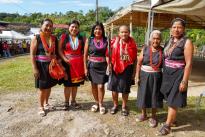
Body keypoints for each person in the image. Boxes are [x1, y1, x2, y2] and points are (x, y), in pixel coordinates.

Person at [157, 18, 193, 135]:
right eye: (174, 27)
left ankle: (167, 125)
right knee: (169, 98)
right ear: (170, 29)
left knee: (173, 100)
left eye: (179, 27)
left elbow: (189, 64)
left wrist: (184, 81)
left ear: (183, 29)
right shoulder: (170, 41)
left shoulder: (187, 42)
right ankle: (172, 119)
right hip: (168, 74)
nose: (176, 29)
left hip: (179, 75)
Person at [135, 30, 163, 128]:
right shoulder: (145, 49)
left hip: (157, 77)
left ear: (161, 40)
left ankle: (153, 116)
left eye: (158, 38)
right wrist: (137, 76)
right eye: (154, 38)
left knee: (155, 96)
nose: (155, 40)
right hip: (144, 75)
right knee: (143, 94)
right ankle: (144, 114)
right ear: (150, 39)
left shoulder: (162, 51)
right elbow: (139, 63)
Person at [30, 18, 58, 116]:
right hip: (40, 65)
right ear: (41, 26)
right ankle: (41, 107)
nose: (48, 27)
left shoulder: (53, 38)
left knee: (49, 86)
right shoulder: (36, 38)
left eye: (50, 26)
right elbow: (32, 54)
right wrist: (35, 68)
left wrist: (54, 57)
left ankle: (46, 103)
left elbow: (56, 52)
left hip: (50, 66)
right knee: (42, 88)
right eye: (46, 25)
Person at [107, 25, 137, 116]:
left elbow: (135, 58)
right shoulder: (113, 42)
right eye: (122, 32)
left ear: (129, 33)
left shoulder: (132, 43)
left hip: (127, 68)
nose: (124, 34)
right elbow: (107, 54)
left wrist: (134, 72)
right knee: (114, 88)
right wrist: (109, 65)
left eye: (126, 32)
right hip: (115, 67)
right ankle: (115, 105)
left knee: (125, 89)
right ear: (119, 33)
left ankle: (124, 106)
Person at [58, 20, 85, 110]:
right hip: (67, 63)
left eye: (76, 27)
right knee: (67, 85)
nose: (74, 29)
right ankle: (66, 102)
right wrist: (64, 59)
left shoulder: (81, 38)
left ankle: (73, 101)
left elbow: (84, 51)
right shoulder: (64, 37)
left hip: (78, 64)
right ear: (69, 27)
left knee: (75, 84)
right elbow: (59, 50)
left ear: (78, 29)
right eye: (72, 27)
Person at [84, 22, 108, 114]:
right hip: (92, 66)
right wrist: (85, 68)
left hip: (102, 66)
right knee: (93, 85)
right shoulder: (89, 40)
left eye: (100, 29)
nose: (98, 31)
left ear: (102, 30)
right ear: (93, 30)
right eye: (96, 29)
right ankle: (96, 103)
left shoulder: (106, 40)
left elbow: (108, 54)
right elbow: (85, 55)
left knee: (101, 86)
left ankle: (101, 104)